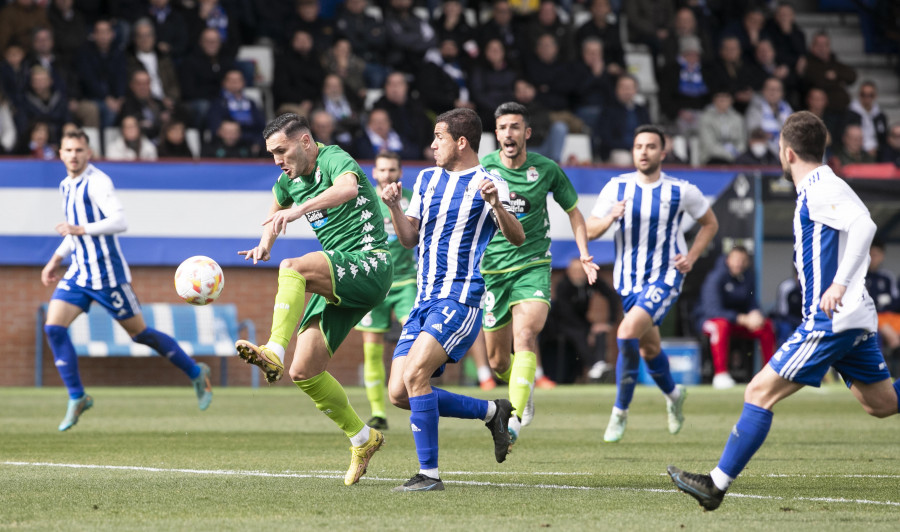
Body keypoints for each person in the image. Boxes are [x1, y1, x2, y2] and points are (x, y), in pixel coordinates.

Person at [668, 110, 900, 511]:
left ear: (787, 152)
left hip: (832, 318)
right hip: (852, 316)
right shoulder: (824, 184)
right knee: (881, 404)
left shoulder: (818, 188)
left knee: (758, 391)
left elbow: (864, 226)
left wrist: (840, 284)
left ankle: (715, 485)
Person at [233, 113, 393, 487]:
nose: (277, 160)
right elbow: (273, 217)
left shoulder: (333, 157)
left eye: (281, 151)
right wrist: (263, 245)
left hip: (369, 262)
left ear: (305, 142)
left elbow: (349, 189)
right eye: (272, 153)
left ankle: (273, 348)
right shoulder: (287, 181)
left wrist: (299, 210)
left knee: (296, 267)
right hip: (340, 275)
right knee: (304, 370)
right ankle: (362, 438)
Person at [382, 108, 525, 492]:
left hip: (459, 296)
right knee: (398, 393)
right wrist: (395, 206)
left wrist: (496, 205)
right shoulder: (427, 180)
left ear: (461, 142)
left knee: (415, 376)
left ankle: (429, 474)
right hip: (423, 298)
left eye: (438, 137)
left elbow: (517, 237)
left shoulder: (490, 182)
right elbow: (409, 238)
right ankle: (492, 411)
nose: (432, 145)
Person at [40, 129, 212, 432]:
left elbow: (120, 221)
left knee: (140, 334)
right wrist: (56, 259)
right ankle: (78, 397)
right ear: (61, 153)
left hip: (108, 276)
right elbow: (73, 231)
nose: (74, 155)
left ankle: (196, 371)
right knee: (54, 328)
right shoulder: (66, 185)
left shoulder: (98, 181)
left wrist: (80, 230)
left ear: (89, 153)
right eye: (68, 150)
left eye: (79, 150)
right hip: (79, 273)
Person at [587, 124, 719, 443]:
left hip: (666, 275)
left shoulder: (681, 190)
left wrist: (692, 256)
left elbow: (710, 223)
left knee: (626, 332)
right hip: (628, 282)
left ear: (663, 151)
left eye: (649, 146)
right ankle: (674, 396)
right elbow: (590, 229)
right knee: (649, 348)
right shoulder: (616, 188)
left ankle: (620, 412)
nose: (643, 152)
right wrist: (609, 218)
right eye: (638, 147)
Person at [479, 101, 598, 443]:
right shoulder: (483, 168)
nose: (508, 133)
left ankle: (511, 424)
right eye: (502, 128)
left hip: (533, 265)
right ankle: (522, 385)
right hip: (492, 272)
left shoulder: (546, 169)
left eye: (515, 127)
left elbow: (575, 212)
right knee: (500, 361)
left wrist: (585, 253)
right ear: (496, 134)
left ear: (527, 133)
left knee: (527, 334)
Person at [352, 151, 417, 431]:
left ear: (400, 172)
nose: (387, 174)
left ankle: (415, 397)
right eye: (382, 170)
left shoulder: (413, 198)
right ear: (374, 173)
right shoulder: (363, 200)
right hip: (374, 282)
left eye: (392, 169)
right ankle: (378, 412)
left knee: (415, 340)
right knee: (371, 350)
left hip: (406, 282)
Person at [695, 246, 776, 389]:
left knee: (766, 325)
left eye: (743, 260)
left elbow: (752, 303)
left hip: (737, 323)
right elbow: (712, 310)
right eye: (736, 260)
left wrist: (756, 313)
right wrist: (742, 318)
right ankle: (720, 375)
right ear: (728, 260)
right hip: (708, 322)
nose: (739, 263)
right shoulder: (716, 277)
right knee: (720, 325)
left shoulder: (748, 277)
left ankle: (770, 374)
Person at [866, 239, 900, 376]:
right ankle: (893, 373)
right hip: (872, 316)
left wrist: (885, 304)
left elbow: (896, 300)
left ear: (882, 256)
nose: (873, 258)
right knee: (891, 336)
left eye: (876, 255)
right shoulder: (860, 276)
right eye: (871, 254)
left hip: (890, 315)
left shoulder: (887, 277)